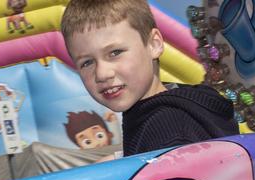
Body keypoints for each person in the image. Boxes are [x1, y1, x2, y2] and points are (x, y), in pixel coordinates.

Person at [61, 0, 238, 158]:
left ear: (154, 44)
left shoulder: (167, 130)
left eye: (115, 53)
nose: (102, 73)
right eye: (87, 63)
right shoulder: (181, 105)